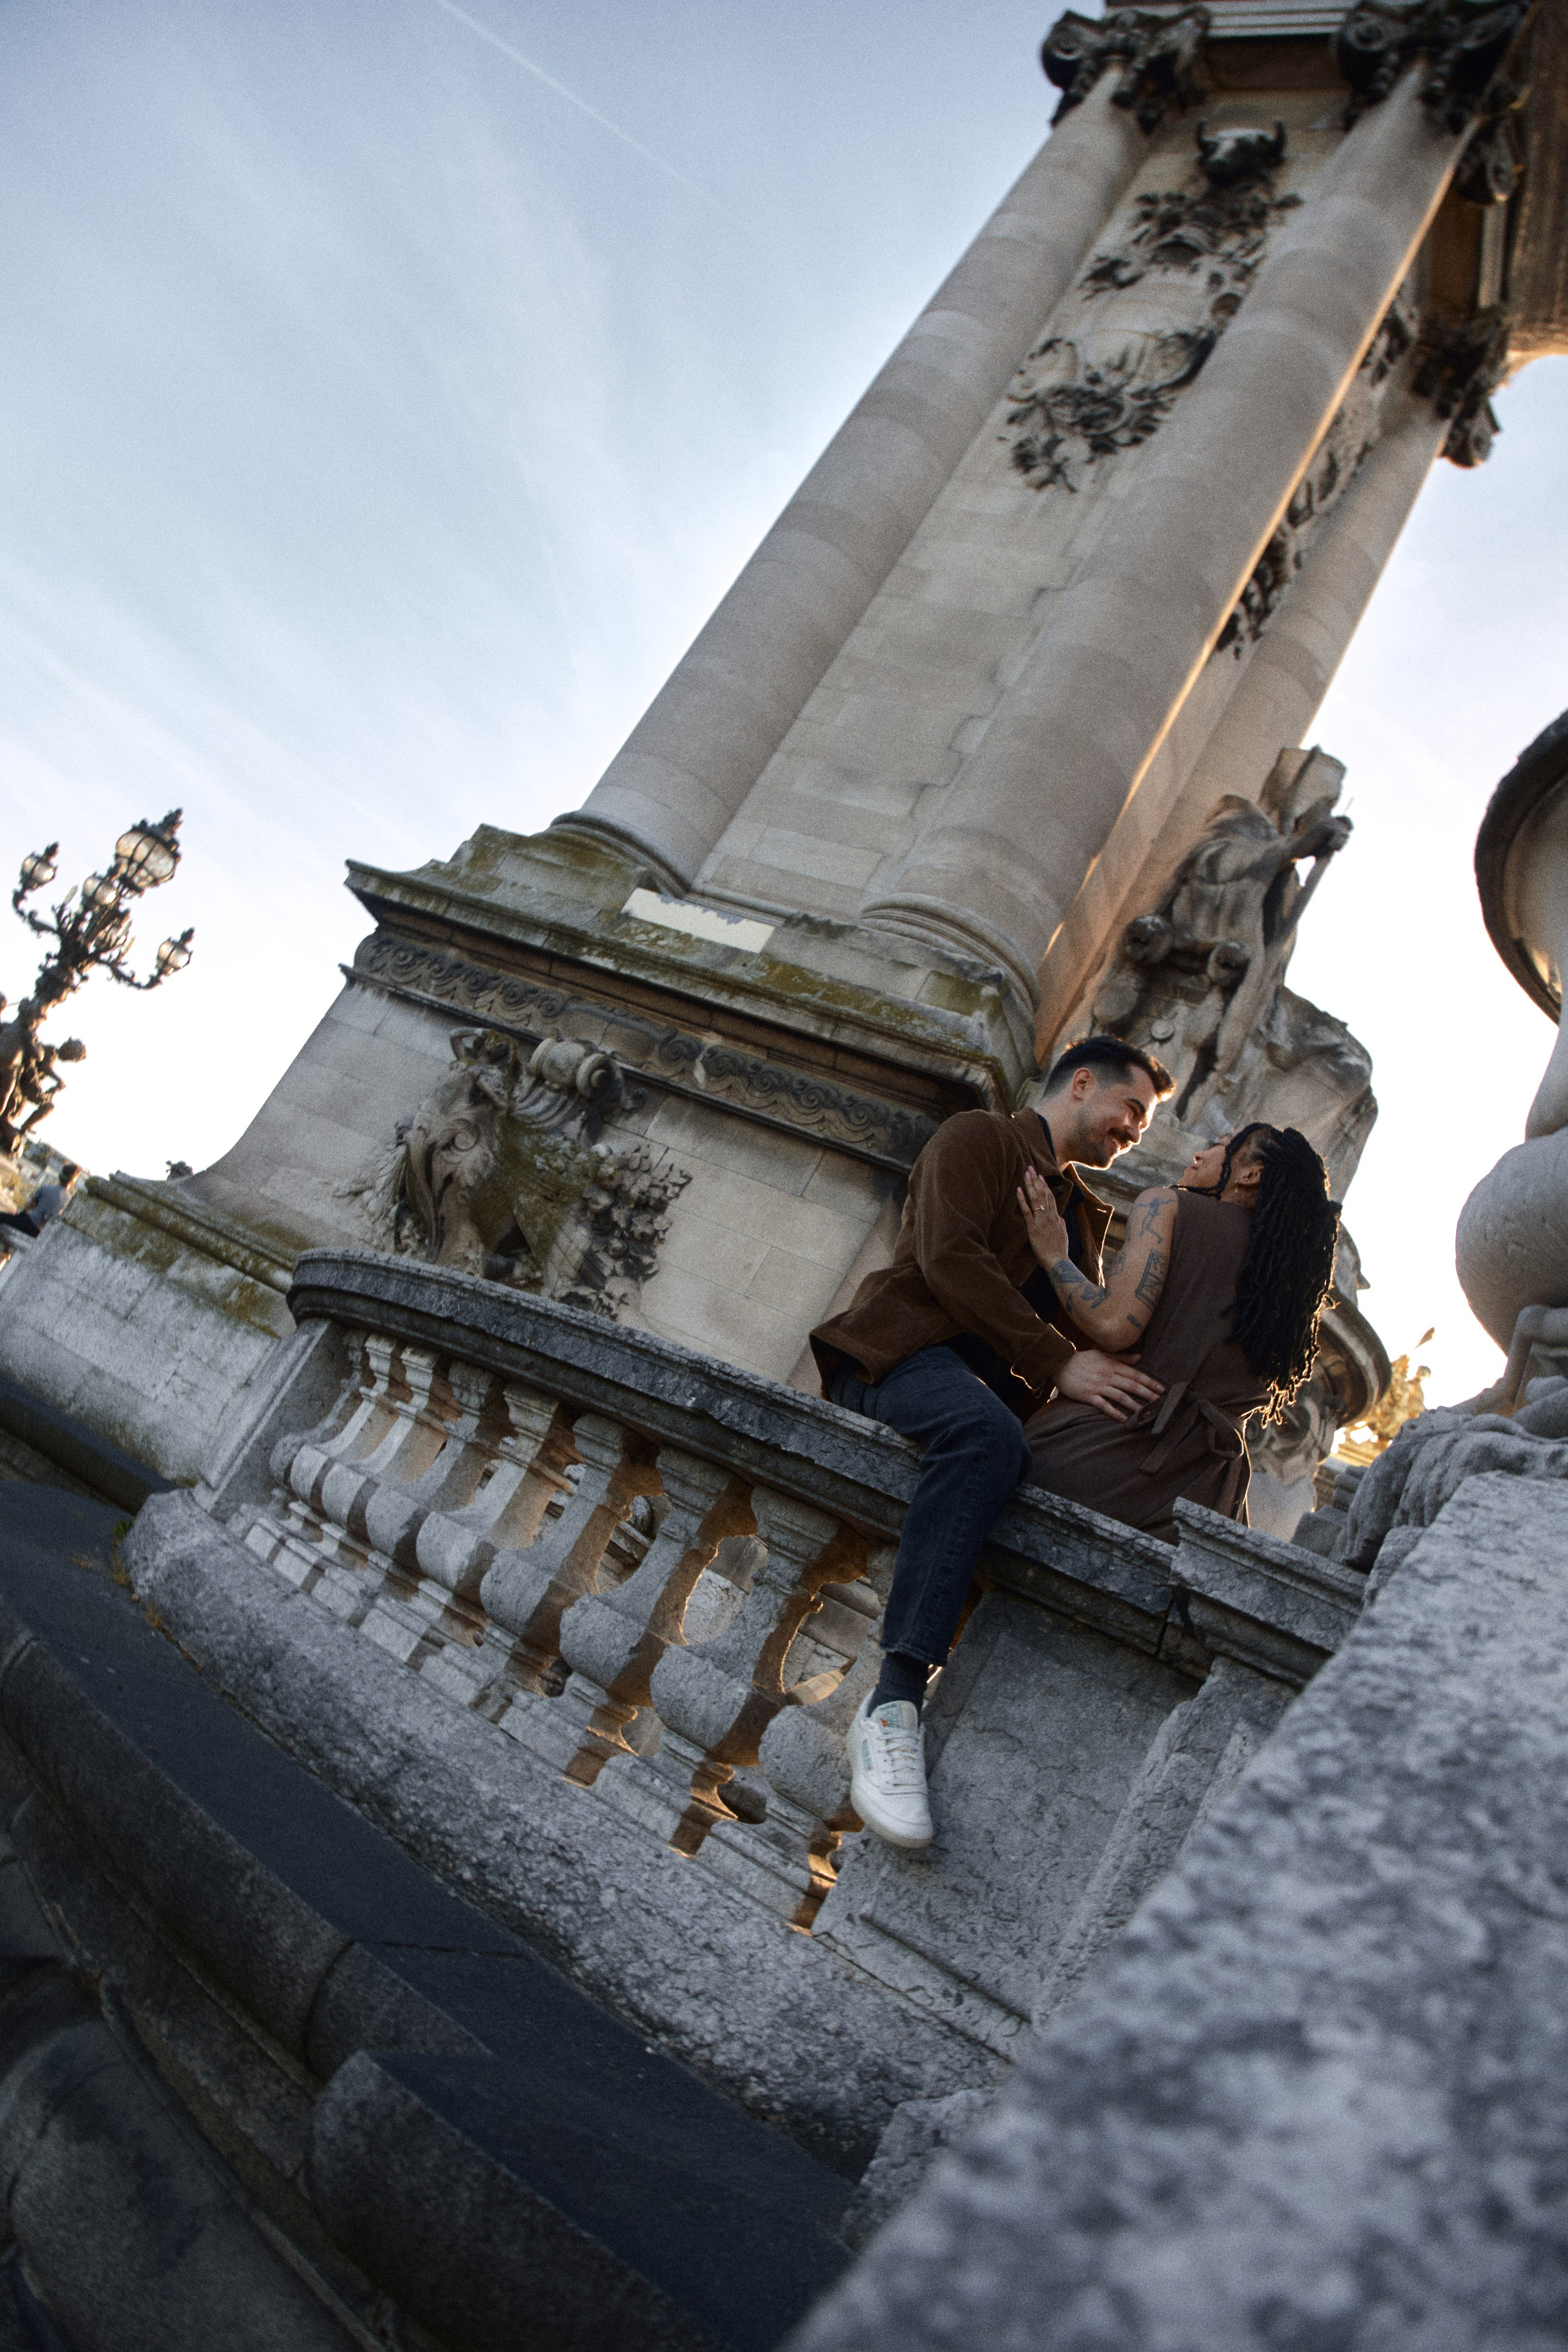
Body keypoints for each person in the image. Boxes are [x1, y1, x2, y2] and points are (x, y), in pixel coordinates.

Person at [810, 1038, 1174, 1850]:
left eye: (1143, 1124)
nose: (1135, 1133)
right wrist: (1058, 1364)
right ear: (1082, 1084)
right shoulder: (978, 1138)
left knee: (1016, 1454)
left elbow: (1101, 1327)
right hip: (897, 1359)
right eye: (1132, 1112)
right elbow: (948, 1259)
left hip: (991, 1407)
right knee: (984, 1435)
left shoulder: (1081, 1220)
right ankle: (896, 1700)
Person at [1018, 1123, 1340, 1542]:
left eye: (1221, 1148)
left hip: (1107, 1452)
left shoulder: (1166, 1206)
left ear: (1250, 1175)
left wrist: (1054, 1254)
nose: (1200, 1155)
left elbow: (1115, 1326)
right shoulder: (1290, 1293)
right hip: (1203, 1501)